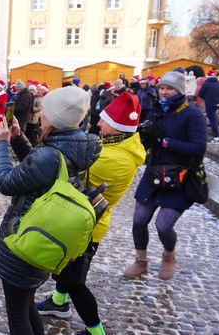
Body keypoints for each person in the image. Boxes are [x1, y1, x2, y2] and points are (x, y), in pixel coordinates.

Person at [0, 86, 100, 335]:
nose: (40, 114)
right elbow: (40, 170)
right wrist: (18, 139)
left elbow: (6, 182)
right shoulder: (76, 146)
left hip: (27, 235)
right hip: (47, 234)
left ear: (54, 118)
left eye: (44, 111)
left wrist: (1, 144)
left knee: (18, 315)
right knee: (26, 304)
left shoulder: (50, 154)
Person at [36, 92, 146, 335]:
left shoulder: (113, 158)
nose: (98, 123)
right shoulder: (113, 146)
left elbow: (69, 176)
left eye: (104, 121)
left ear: (117, 128)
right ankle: (58, 302)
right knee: (66, 271)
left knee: (75, 282)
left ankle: (96, 330)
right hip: (87, 219)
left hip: (86, 227)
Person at [124, 71, 207, 280]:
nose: (164, 92)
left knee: (163, 225)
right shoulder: (157, 110)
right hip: (154, 173)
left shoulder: (192, 114)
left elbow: (198, 148)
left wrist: (164, 141)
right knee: (139, 220)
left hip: (180, 176)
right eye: (161, 87)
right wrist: (143, 136)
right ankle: (141, 261)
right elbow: (149, 140)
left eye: (169, 88)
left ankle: (169, 256)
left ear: (179, 90)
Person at [199, 70, 219, 143]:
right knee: (213, 118)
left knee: (212, 119)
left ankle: (216, 137)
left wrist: (206, 98)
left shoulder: (206, 84)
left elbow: (201, 94)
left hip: (210, 103)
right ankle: (213, 133)